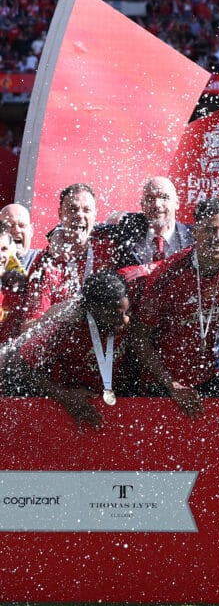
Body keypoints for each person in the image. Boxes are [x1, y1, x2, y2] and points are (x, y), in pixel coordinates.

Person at [131, 198, 219, 416]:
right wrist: (172, 385)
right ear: (195, 232)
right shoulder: (169, 275)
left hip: (208, 378)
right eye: (210, 230)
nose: (218, 238)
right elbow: (139, 338)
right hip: (162, 384)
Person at [14, 272, 132, 429]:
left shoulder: (123, 320)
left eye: (126, 313)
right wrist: (64, 396)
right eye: (115, 315)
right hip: (64, 406)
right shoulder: (65, 326)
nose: (124, 320)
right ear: (94, 309)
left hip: (111, 403)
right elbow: (22, 366)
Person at [23, 184, 117, 329]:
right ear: (60, 214)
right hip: (63, 341)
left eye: (86, 210)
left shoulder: (109, 250)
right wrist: (54, 315)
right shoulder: (47, 261)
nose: (79, 215)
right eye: (72, 209)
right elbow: (28, 328)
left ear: (95, 214)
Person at [105, 176, 195, 268]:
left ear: (177, 203)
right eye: (150, 199)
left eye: (164, 197)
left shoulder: (194, 237)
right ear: (142, 205)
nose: (156, 205)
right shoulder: (126, 235)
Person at [0, 203, 39, 271]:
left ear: (31, 231)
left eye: (22, 225)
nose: (17, 230)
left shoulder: (41, 260)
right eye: (10, 225)